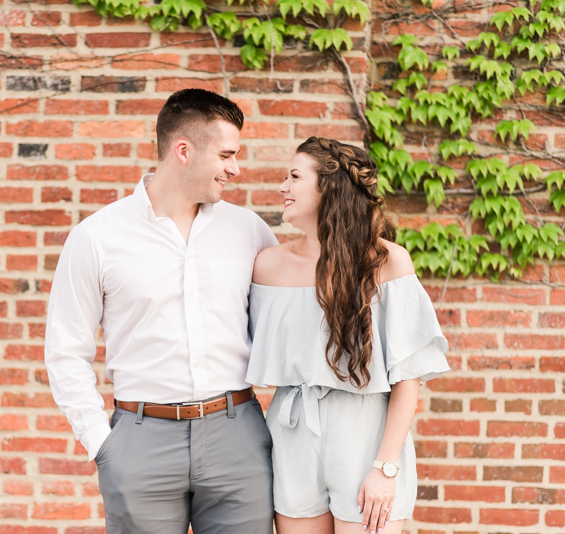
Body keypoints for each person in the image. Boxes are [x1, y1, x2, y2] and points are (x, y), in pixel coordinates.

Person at [44, 88, 278, 534]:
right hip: (140, 442)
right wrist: (103, 444)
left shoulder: (249, 230)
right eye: (227, 155)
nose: (236, 168)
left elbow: (284, 324)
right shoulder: (97, 237)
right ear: (183, 150)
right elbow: (65, 350)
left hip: (238, 438)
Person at [247, 137, 450, 534]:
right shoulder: (266, 267)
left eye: (293, 177)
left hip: (365, 433)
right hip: (293, 432)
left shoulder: (387, 262)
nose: (282, 187)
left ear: (329, 186)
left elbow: (408, 378)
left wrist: (385, 467)